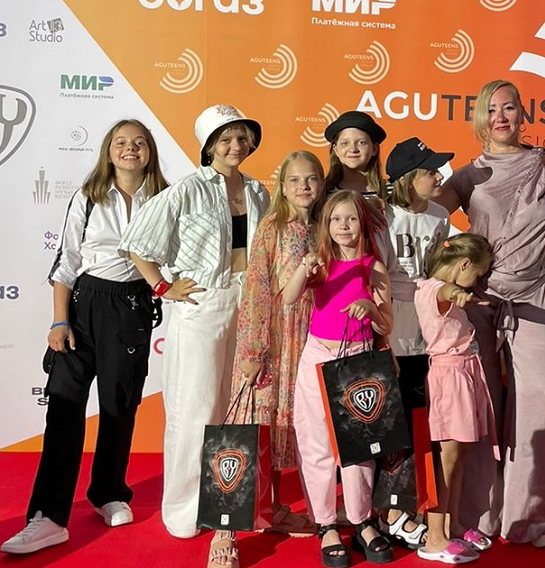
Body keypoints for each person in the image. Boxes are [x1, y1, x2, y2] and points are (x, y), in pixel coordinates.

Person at [1, 120, 168, 555]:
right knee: (64, 409)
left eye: (139, 143)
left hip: (131, 307)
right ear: (108, 151)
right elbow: (67, 261)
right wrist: (60, 321)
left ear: (149, 151)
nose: (130, 149)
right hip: (84, 304)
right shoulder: (88, 197)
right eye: (121, 142)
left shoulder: (164, 198)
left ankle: (108, 493)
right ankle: (48, 516)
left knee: (119, 406)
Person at [118, 105, 268, 568]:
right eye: (225, 139)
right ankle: (185, 512)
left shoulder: (259, 190)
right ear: (208, 146)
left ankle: (229, 503)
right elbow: (137, 243)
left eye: (241, 137)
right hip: (201, 305)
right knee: (194, 409)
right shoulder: (186, 190)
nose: (235, 146)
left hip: (247, 302)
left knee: (236, 410)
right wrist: (163, 286)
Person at [435, 79, 545, 548]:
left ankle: (533, 518)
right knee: (481, 404)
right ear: (480, 117)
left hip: (533, 297)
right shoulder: (468, 176)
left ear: (522, 114)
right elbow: (425, 219)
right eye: (492, 109)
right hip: (480, 301)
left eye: (509, 108)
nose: (501, 117)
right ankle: (478, 515)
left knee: (541, 392)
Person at [283, 190, 394, 567]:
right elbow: (289, 297)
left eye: (350, 218)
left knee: (360, 446)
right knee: (315, 442)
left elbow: (387, 323)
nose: (343, 226)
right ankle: (326, 524)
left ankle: (362, 521)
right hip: (318, 356)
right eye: (335, 219)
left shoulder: (373, 267)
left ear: (362, 223)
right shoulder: (320, 264)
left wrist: (370, 308)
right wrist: (304, 268)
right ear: (326, 225)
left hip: (359, 359)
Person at [230, 150, 326, 537]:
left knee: (285, 425)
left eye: (311, 179)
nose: (304, 186)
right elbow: (256, 288)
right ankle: (228, 529)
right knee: (254, 427)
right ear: (282, 187)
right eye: (295, 180)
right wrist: (253, 350)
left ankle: (274, 508)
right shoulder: (272, 227)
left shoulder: (322, 228)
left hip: (307, 341)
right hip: (272, 339)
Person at [377, 138, 453, 548]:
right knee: (390, 423)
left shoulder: (440, 215)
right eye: (430, 171)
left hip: (428, 329)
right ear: (407, 178)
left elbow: (438, 271)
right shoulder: (383, 215)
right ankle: (387, 510)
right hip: (391, 327)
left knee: (417, 419)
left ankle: (405, 506)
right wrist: (382, 331)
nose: (439, 177)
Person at [413, 234, 498, 564]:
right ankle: (435, 536)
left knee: (459, 455)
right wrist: (458, 293)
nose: (477, 282)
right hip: (448, 378)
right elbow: (446, 292)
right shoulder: (433, 289)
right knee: (445, 459)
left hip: (465, 373)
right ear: (463, 265)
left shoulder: (440, 288)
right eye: (477, 274)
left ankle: (454, 524)